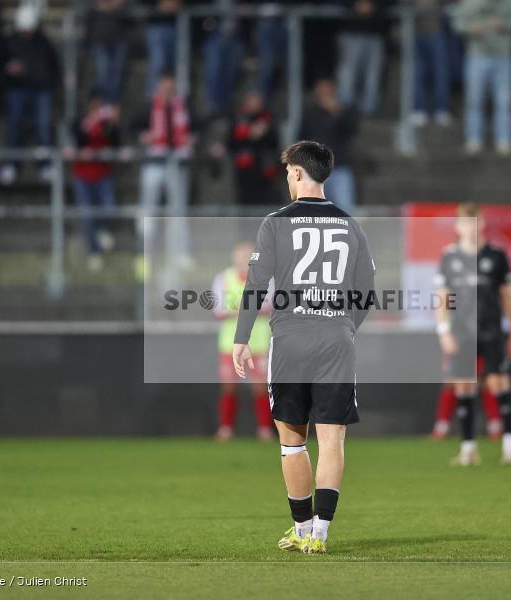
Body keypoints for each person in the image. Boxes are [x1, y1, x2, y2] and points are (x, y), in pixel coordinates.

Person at [233, 140, 376, 554]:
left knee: (292, 440)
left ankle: (301, 527)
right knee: (332, 440)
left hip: (291, 338)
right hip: (336, 337)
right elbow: (367, 291)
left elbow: (256, 285)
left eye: (287, 172)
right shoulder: (350, 224)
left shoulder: (276, 222)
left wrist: (242, 338)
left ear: (296, 172)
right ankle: (321, 535)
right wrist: (345, 326)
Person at [435, 203, 511, 466]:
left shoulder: (496, 255)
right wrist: (444, 331)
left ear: (482, 224)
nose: (470, 228)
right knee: (463, 385)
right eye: (465, 223)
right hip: (461, 332)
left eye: (474, 222)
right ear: (458, 226)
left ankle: (510, 444)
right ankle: (468, 448)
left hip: (491, 330)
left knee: (498, 382)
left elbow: (507, 297)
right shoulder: (449, 256)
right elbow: (442, 297)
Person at [213, 241, 274, 441]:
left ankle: (264, 429)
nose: (245, 259)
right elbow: (218, 309)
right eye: (242, 255)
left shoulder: (266, 278)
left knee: (260, 386)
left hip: (259, 342)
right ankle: (225, 428)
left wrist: (240, 307)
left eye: (249, 255)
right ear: (234, 257)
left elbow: (271, 306)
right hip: (230, 343)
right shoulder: (223, 278)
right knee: (229, 385)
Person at [453, 0, 511, 156]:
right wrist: (470, 29)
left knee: (504, 101)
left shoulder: (509, 3)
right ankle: (474, 138)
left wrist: (503, 24)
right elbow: (458, 23)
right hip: (477, 55)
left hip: (503, 55)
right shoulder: (470, 3)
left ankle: (504, 139)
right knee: (474, 99)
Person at [0, 5, 59, 185]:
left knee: (43, 128)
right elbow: (0, 66)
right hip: (16, 89)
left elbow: (52, 68)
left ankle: (44, 165)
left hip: (41, 90)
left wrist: (48, 83)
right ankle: (10, 163)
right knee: (14, 126)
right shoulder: (10, 43)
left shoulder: (43, 43)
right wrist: (8, 71)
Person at [71, 94, 120, 271]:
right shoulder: (80, 123)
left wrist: (113, 124)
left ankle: (102, 230)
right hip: (83, 175)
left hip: (102, 173)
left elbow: (115, 144)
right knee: (88, 215)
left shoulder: (106, 124)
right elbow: (77, 144)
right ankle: (94, 251)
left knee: (109, 207)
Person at [299, 79, 359, 212]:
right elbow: (301, 139)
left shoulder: (344, 110)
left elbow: (351, 131)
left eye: (326, 88)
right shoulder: (310, 113)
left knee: (344, 208)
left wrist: (337, 112)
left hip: (339, 168)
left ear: (333, 90)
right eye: (321, 88)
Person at [138, 76, 192, 218]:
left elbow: (198, 125)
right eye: (164, 88)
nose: (167, 91)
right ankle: (147, 231)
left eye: (170, 88)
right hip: (156, 157)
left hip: (177, 158)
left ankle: (178, 232)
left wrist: (192, 137)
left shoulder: (183, 106)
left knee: (178, 201)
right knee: (149, 198)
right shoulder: (150, 106)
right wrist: (143, 136)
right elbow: (134, 126)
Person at [335, 0, 389, 117]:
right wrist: (354, 5)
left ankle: (369, 109)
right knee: (347, 71)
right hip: (351, 29)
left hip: (375, 31)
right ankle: (345, 107)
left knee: (373, 73)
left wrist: (374, 5)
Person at [229, 90, 279, 205]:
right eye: (252, 100)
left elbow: (274, 142)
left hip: (264, 172)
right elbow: (231, 142)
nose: (255, 104)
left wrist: (264, 132)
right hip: (244, 172)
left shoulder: (268, 118)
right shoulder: (238, 118)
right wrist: (248, 133)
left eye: (257, 101)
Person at [408, 0, 452, 127]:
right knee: (417, 73)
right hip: (415, 32)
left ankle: (442, 108)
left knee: (441, 72)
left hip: (436, 31)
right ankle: (418, 109)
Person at [86, 0, 130, 103]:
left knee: (115, 77)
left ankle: (110, 104)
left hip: (118, 40)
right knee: (102, 75)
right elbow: (95, 7)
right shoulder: (94, 11)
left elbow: (127, 11)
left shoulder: (121, 10)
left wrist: (115, 6)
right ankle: (101, 104)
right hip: (100, 41)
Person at [141, 0, 181, 98]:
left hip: (180, 23)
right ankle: (154, 100)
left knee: (179, 66)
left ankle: (177, 101)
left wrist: (180, 2)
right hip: (156, 21)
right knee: (158, 64)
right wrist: (158, 3)